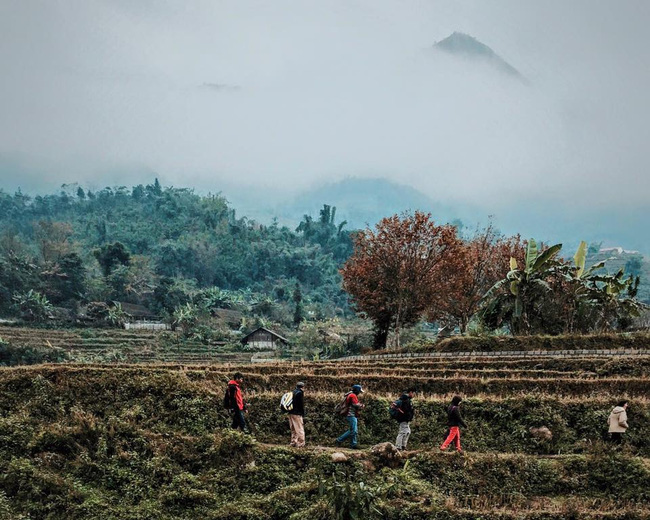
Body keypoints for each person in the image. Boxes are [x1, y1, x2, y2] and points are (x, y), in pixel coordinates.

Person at [335, 384, 365, 449]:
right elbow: (355, 404)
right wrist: (362, 405)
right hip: (351, 414)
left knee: (352, 430)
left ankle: (340, 440)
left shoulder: (351, 395)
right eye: (359, 391)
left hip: (351, 414)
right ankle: (353, 444)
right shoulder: (352, 395)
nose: (359, 393)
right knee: (354, 431)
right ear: (356, 390)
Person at [289, 382, 306, 447]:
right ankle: (301, 443)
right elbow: (300, 405)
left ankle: (293, 442)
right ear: (302, 387)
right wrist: (302, 413)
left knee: (293, 428)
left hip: (291, 413)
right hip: (297, 413)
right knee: (299, 428)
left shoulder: (293, 392)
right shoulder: (300, 393)